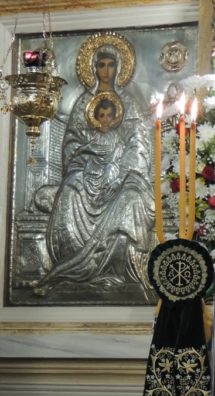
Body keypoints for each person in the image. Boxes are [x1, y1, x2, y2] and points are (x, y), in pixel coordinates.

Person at [34, 44, 154, 295]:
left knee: (132, 199)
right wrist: (84, 166)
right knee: (69, 190)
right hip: (87, 173)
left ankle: (115, 269)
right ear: (93, 68)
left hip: (122, 175)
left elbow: (138, 144)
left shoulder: (128, 103)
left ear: (119, 68)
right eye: (101, 65)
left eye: (111, 65)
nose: (106, 70)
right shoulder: (83, 103)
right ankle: (72, 262)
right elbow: (72, 143)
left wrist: (120, 172)